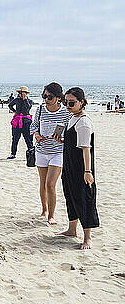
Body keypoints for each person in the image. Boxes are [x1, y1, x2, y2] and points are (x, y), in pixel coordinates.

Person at [52, 87, 98, 249]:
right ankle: (72, 230)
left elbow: (86, 149)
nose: (68, 105)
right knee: (70, 196)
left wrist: (88, 171)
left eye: (72, 103)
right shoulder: (73, 118)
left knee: (84, 198)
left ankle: (87, 237)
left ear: (82, 102)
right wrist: (62, 141)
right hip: (69, 165)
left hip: (81, 168)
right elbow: (75, 144)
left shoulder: (84, 122)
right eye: (65, 102)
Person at [30, 82, 71, 225]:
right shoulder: (40, 109)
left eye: (50, 96)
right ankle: (44, 210)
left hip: (58, 152)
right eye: (44, 96)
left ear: (59, 98)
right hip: (41, 150)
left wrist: (62, 139)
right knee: (42, 183)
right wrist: (36, 134)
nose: (46, 99)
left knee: (50, 184)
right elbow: (33, 125)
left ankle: (51, 216)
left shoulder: (66, 112)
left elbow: (70, 133)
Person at [7, 86, 34, 159]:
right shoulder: (16, 100)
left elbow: (27, 108)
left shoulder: (30, 101)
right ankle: (13, 154)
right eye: (20, 93)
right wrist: (15, 111)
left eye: (22, 93)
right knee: (15, 138)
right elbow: (10, 105)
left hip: (26, 121)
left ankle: (31, 153)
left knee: (28, 138)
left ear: (26, 93)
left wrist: (25, 99)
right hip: (17, 121)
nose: (21, 94)